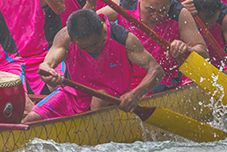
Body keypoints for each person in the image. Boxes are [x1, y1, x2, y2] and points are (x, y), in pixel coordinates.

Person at [24, 9, 164, 122]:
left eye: (96, 44)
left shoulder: (123, 39)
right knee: (32, 119)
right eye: (85, 47)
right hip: (73, 96)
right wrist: (48, 72)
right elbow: (45, 66)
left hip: (111, 101)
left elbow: (156, 71)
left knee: (100, 96)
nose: (92, 50)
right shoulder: (65, 37)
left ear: (103, 27)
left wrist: (135, 94)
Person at [92, 0, 208, 92]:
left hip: (163, 81)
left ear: (170, 3)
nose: (155, 16)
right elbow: (90, 24)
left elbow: (203, 52)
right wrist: (90, 2)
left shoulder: (179, 13)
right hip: (126, 79)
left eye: (162, 10)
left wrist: (186, 49)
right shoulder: (123, 4)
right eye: (150, 10)